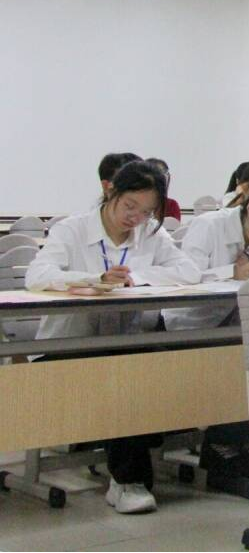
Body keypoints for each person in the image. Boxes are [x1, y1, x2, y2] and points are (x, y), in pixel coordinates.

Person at [26, 160, 201, 515]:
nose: (135, 218)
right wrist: (94, 280)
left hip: (127, 345)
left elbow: (189, 271)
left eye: (147, 211)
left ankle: (131, 467)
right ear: (111, 192)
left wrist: (138, 276)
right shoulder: (73, 230)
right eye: (130, 206)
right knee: (124, 374)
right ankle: (128, 481)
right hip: (66, 348)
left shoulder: (151, 233)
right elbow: (37, 275)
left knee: (165, 365)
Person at [164, 183, 249, 330]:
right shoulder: (208, 225)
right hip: (186, 324)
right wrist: (232, 273)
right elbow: (187, 277)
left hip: (230, 323)